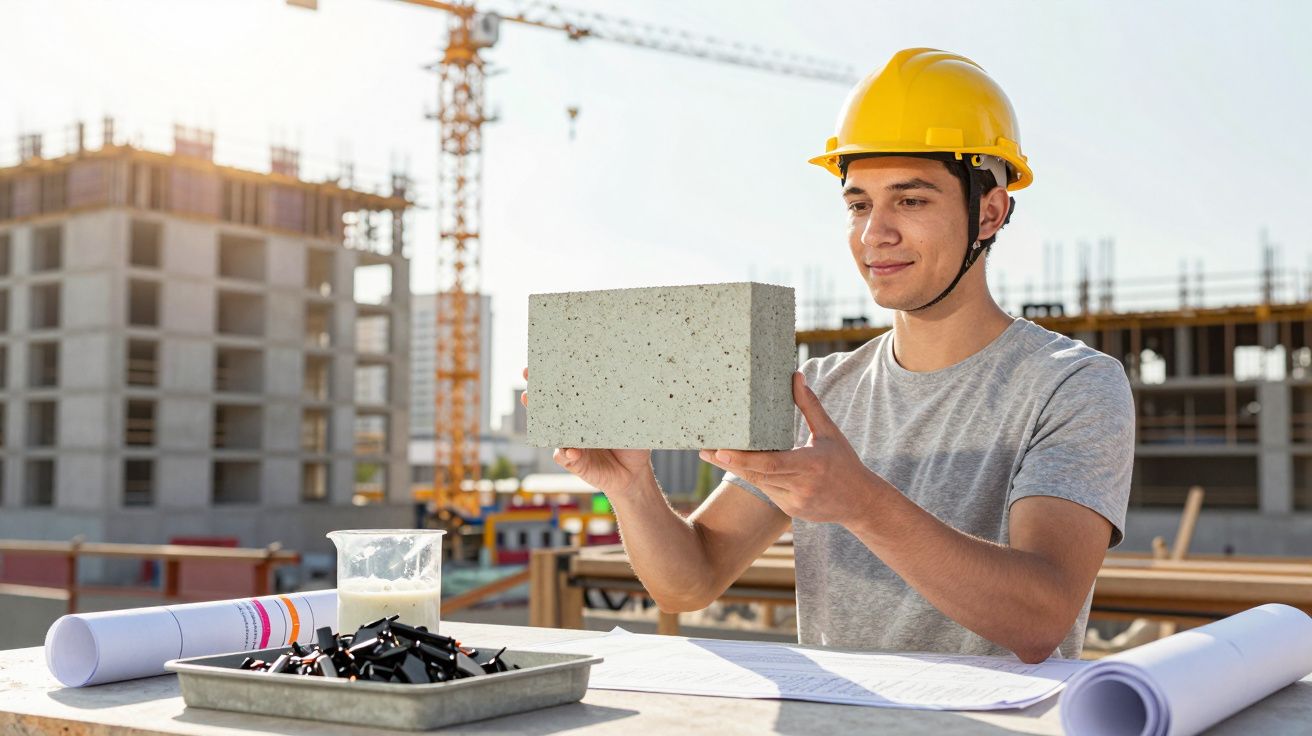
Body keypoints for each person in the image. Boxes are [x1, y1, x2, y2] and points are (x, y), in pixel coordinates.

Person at [523, 48, 1134, 663]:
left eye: (911, 200)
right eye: (859, 204)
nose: (875, 234)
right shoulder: (819, 391)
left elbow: (1040, 618)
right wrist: (632, 487)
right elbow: (691, 581)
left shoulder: (1073, 385)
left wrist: (863, 504)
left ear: (990, 212)